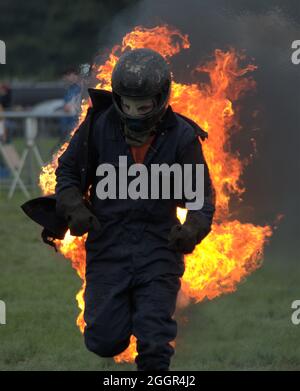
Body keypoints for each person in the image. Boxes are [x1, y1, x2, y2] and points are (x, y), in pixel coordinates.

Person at [22, 48, 216, 371]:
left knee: (154, 341)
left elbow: (201, 199)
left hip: (159, 249)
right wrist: (73, 208)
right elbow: (68, 171)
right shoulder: (99, 125)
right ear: (117, 98)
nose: (134, 112)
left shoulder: (183, 137)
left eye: (142, 106)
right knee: (103, 340)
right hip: (108, 247)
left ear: (160, 99)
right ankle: (124, 312)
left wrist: (191, 231)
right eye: (127, 104)